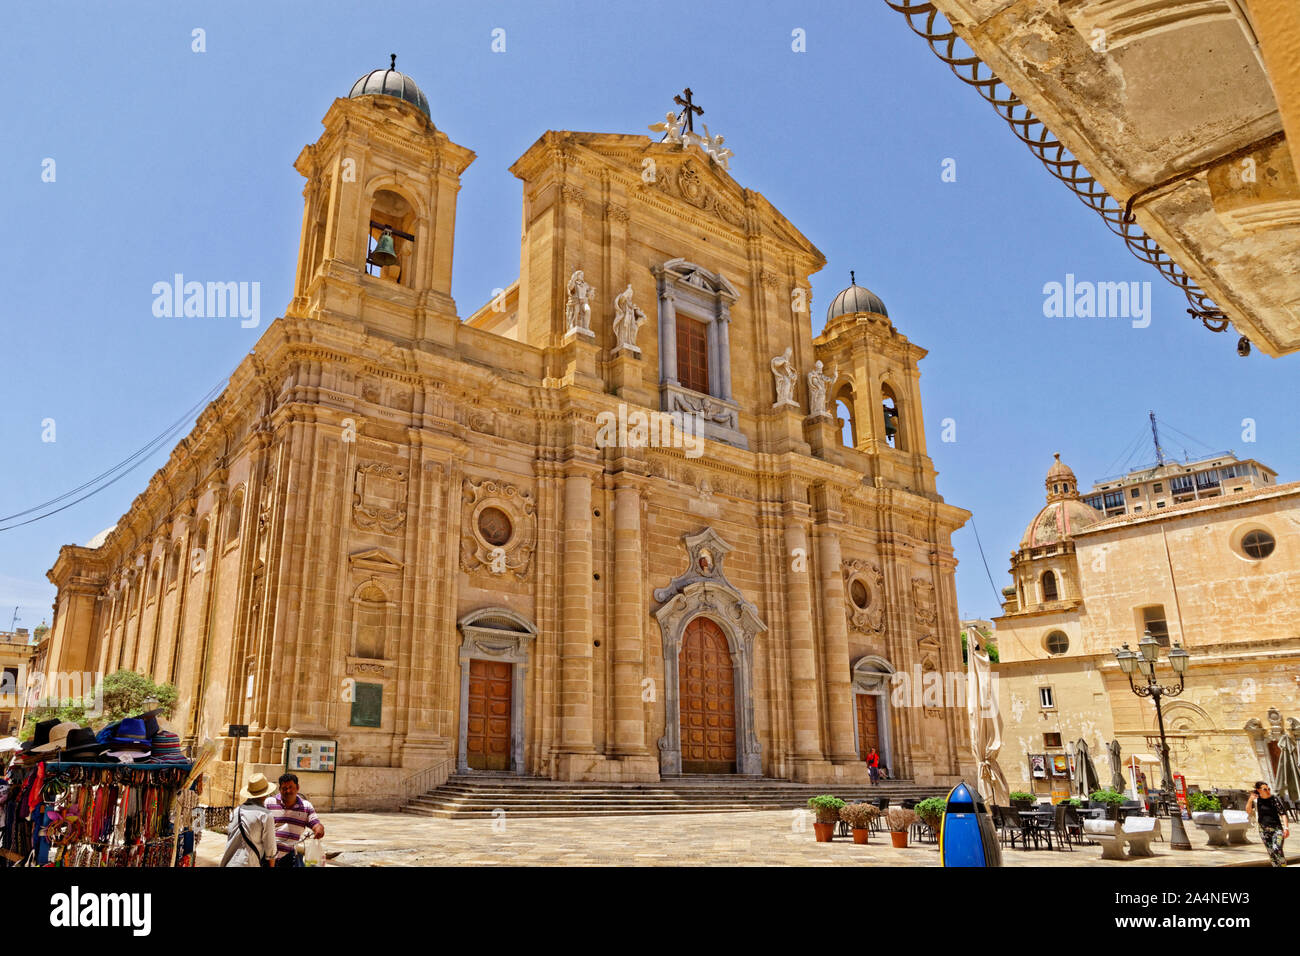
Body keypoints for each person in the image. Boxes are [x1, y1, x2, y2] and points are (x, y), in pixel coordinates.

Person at [265, 773, 325, 868]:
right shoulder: (268, 803)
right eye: (284, 788)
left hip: (290, 856)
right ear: (280, 789)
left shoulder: (306, 806)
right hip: (268, 856)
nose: (288, 791)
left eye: (291, 787)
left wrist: (319, 829)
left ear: (297, 787)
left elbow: (315, 823)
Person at [221, 773, 279, 868]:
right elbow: (271, 849)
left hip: (229, 863)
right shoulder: (265, 815)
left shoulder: (236, 811)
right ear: (265, 794)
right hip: (248, 863)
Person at [1246, 781, 1289, 867]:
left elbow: (1283, 814)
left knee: (1277, 849)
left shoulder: (1274, 799)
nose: (1268, 791)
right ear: (1259, 790)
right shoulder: (1256, 801)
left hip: (1277, 829)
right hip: (1263, 830)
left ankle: (1283, 866)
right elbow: (1248, 811)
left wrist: (1286, 828)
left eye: (1268, 789)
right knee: (1271, 853)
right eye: (1265, 789)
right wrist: (1250, 800)